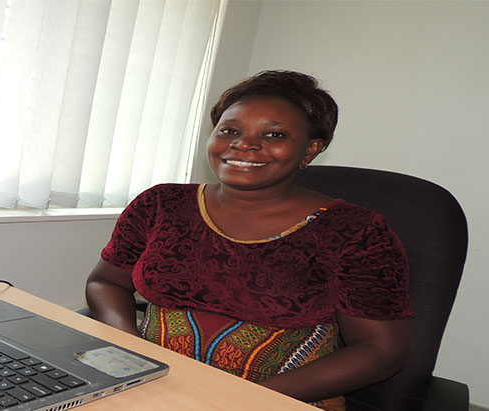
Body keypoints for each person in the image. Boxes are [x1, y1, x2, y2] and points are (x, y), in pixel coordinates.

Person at [84, 70, 413, 410]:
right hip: (149, 386)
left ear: (310, 149)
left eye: (274, 134)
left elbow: (382, 350)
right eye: (230, 130)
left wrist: (240, 401)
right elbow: (106, 282)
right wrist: (132, 351)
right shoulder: (160, 204)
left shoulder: (355, 232)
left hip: (276, 401)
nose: (244, 144)